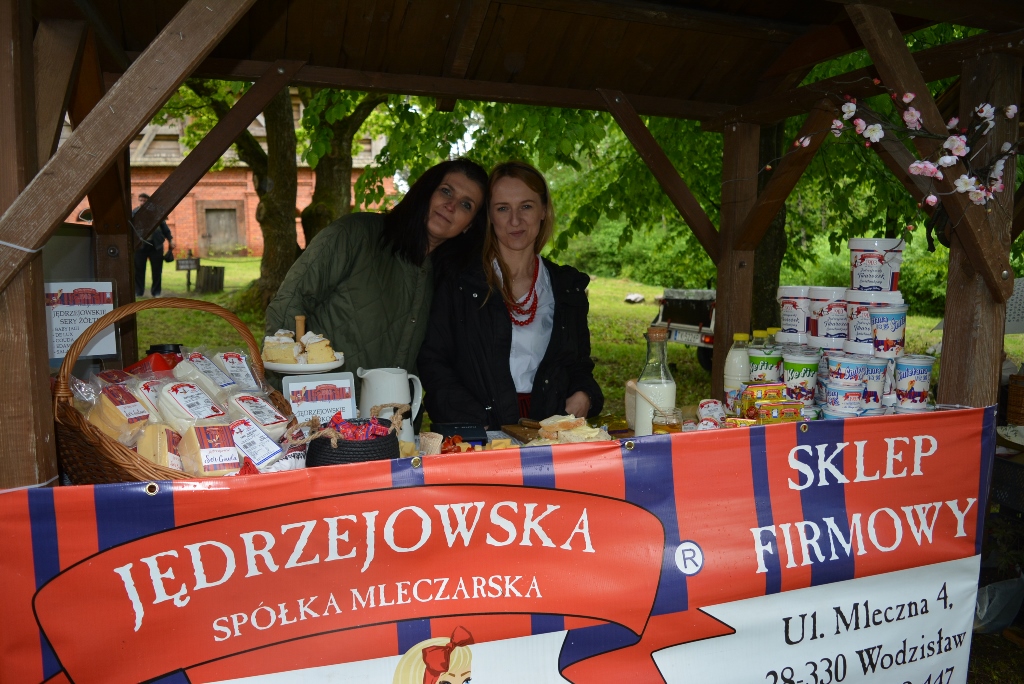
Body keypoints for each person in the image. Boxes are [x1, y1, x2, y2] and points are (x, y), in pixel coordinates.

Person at [265, 158, 488, 390]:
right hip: (318, 403)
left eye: (466, 205)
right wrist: (288, 391)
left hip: (390, 412)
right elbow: (288, 304)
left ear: (469, 225)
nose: (451, 205)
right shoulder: (354, 235)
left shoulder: (451, 281)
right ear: (425, 191)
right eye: (446, 191)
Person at [419, 161, 603, 429]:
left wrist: (584, 395)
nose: (515, 220)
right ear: (490, 216)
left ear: (543, 210)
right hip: (477, 433)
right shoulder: (460, 281)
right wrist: (474, 421)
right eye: (503, 208)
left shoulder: (566, 287)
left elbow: (578, 366)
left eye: (526, 206)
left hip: (547, 433)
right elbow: (433, 362)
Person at [132, 193, 173, 298]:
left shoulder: (156, 214)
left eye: (144, 201)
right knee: (139, 270)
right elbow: (130, 229)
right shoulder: (134, 213)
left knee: (157, 271)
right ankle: (139, 292)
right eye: (140, 200)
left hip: (156, 246)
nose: (142, 203)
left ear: (149, 202)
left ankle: (156, 292)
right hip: (140, 246)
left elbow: (165, 228)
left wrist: (170, 240)